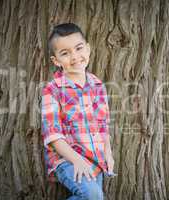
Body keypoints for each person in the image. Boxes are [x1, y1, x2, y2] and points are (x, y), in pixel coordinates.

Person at [41, 23, 115, 200]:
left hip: (95, 161)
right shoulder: (53, 90)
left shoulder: (98, 86)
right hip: (66, 159)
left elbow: (103, 126)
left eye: (79, 48)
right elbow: (53, 136)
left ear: (88, 49)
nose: (74, 56)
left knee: (95, 198)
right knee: (92, 195)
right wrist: (76, 160)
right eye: (65, 53)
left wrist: (108, 155)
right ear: (56, 60)